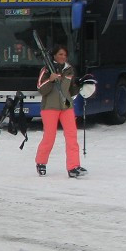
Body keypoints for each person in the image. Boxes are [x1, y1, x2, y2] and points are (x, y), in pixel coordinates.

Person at [35, 45, 85, 178]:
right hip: (50, 107)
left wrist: (80, 85)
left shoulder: (69, 70)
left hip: (66, 106)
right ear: (54, 56)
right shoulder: (46, 69)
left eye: (64, 55)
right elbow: (41, 89)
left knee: (72, 136)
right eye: (60, 54)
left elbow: (71, 90)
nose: (63, 57)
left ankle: (73, 166)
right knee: (49, 137)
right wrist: (50, 80)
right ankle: (41, 162)